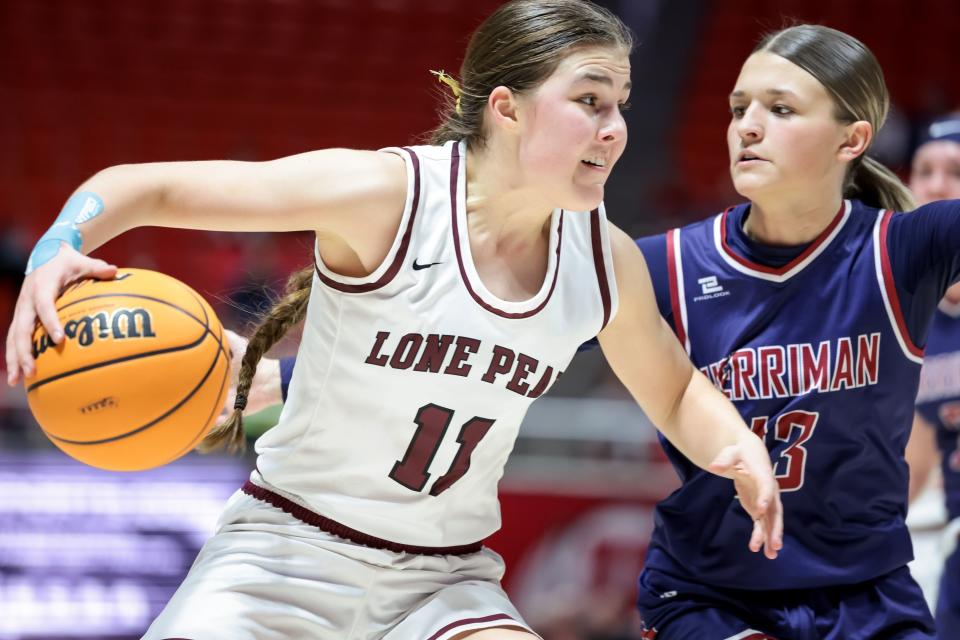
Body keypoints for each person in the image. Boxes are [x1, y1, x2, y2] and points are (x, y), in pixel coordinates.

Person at [3, 2, 782, 639]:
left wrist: (738, 446)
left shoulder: (605, 259)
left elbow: (675, 392)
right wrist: (55, 251)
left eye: (620, 106)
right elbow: (146, 188)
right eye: (589, 101)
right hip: (284, 556)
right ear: (506, 109)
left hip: (444, 585)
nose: (614, 128)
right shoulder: (385, 195)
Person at [235, 21, 959, 640]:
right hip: (715, 593)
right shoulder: (661, 264)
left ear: (852, 138)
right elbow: (481, 344)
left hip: (868, 590)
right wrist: (289, 376)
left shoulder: (903, 248)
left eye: (781, 108)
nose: (748, 125)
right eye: (740, 106)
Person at [905, 115, 960, 640]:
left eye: (955, 171)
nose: (936, 185)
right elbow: (915, 460)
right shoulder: (911, 313)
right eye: (924, 170)